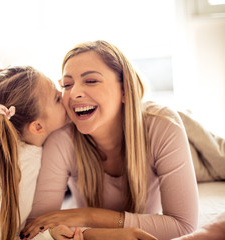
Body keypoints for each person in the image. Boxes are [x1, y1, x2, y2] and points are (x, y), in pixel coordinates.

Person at [21, 40, 199, 240]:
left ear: (124, 90)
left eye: (91, 81)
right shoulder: (61, 139)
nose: (74, 93)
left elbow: (183, 226)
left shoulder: (163, 125)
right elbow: (37, 226)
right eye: (67, 84)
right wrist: (108, 235)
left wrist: (86, 215)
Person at [0, 66, 68, 240]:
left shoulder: (9, 142)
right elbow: (22, 225)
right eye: (56, 98)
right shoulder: (25, 169)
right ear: (38, 127)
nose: (63, 95)